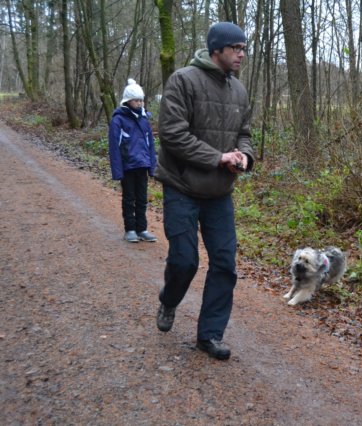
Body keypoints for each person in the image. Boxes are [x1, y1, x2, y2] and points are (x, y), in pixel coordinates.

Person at [154, 22, 254, 360]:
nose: (241, 54)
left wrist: (243, 156)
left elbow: (244, 133)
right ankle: (169, 300)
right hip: (181, 186)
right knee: (185, 261)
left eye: (244, 48)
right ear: (216, 49)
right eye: (236, 48)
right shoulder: (183, 80)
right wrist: (217, 157)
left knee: (224, 264)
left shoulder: (239, 90)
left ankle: (210, 335)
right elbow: (172, 133)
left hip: (219, 192)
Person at [108, 78, 158, 243]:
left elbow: (151, 145)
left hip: (142, 165)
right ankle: (130, 229)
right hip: (127, 166)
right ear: (128, 101)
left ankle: (142, 229)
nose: (139, 103)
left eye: (141, 100)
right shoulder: (118, 120)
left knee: (142, 198)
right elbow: (114, 147)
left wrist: (153, 167)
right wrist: (117, 171)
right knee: (129, 198)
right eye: (136, 100)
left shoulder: (144, 120)